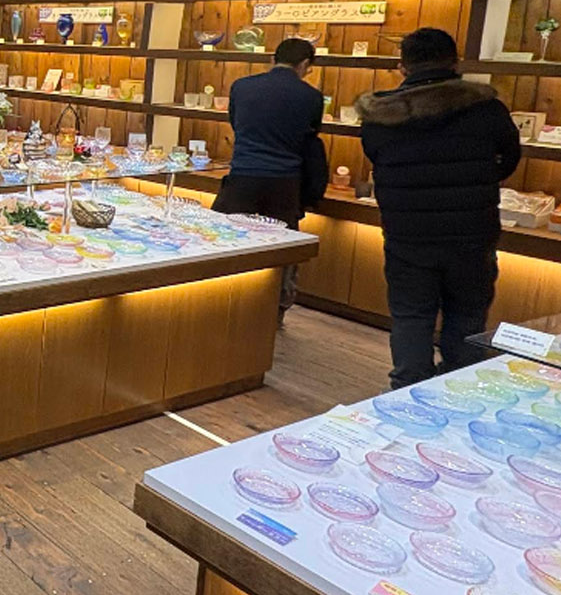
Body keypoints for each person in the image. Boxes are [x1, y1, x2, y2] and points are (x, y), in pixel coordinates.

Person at [356, 28, 521, 389]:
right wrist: (476, 180)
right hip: (472, 232)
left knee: (412, 316)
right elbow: (509, 159)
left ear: (403, 66)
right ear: (455, 61)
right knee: (468, 314)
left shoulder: (382, 115)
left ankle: (408, 388)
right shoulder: (486, 108)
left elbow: (377, 157)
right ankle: (459, 386)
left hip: (407, 234)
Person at [213, 37, 328, 319]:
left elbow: (237, 124)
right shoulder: (311, 97)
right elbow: (308, 138)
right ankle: (271, 313)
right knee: (280, 252)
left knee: (226, 242)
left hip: (242, 177)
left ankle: (220, 304)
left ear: (272, 59)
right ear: (304, 64)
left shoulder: (242, 87)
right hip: (285, 184)